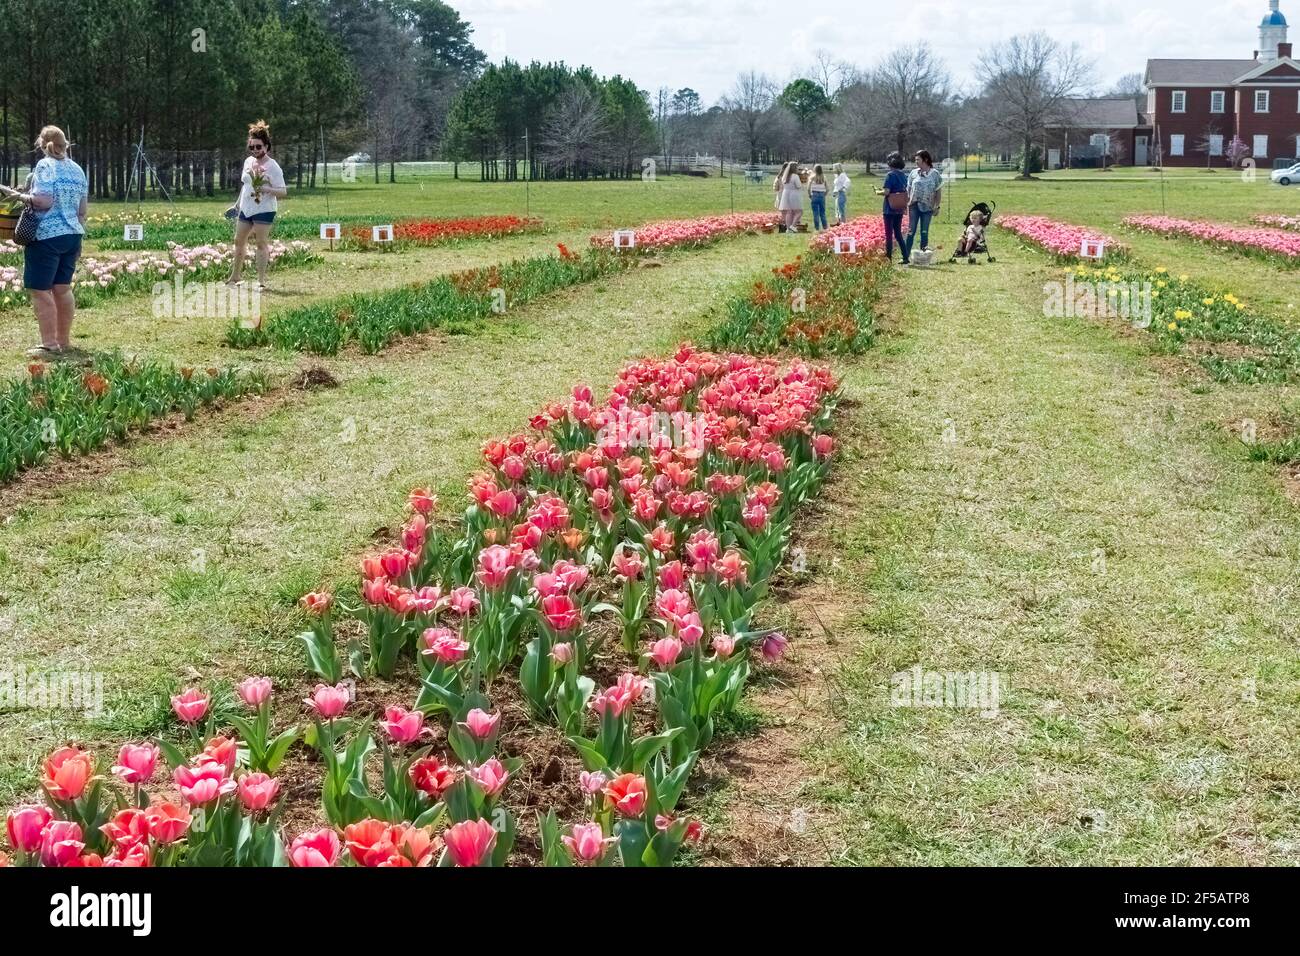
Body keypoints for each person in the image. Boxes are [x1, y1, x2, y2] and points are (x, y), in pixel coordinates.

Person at [0, 126, 88, 359]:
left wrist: (18, 196)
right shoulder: (78, 170)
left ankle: (48, 345)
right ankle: (64, 341)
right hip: (72, 234)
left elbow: (43, 201)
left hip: (47, 235)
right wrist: (79, 238)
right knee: (62, 288)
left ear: (42, 144)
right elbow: (82, 210)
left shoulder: (45, 166)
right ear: (66, 144)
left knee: (40, 290)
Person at [226, 119, 287, 291]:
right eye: (251, 147)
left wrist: (266, 188)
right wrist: (237, 205)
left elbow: (283, 192)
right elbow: (245, 186)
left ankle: (261, 281)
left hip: (264, 209)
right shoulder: (248, 162)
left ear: (267, 146)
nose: (255, 150)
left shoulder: (273, 166)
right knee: (238, 240)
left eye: (258, 147)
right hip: (247, 207)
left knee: (260, 243)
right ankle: (235, 276)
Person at [904, 149, 942, 259]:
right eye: (915, 159)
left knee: (924, 232)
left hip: (928, 207)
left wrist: (937, 206)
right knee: (911, 231)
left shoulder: (934, 174)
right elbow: (909, 189)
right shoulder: (913, 173)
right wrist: (906, 204)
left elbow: (938, 191)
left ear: (925, 160)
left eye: (918, 159)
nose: (916, 162)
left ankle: (923, 255)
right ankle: (905, 256)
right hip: (914, 206)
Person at [876, 152, 909, 264]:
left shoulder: (890, 175)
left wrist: (877, 192)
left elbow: (886, 192)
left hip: (889, 208)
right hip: (899, 207)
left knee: (889, 234)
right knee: (898, 233)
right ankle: (905, 256)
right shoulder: (904, 175)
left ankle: (888, 258)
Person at [778, 162, 804, 233]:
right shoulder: (795, 176)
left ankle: (788, 229)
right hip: (794, 194)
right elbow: (798, 186)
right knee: (799, 212)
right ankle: (793, 226)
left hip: (786, 193)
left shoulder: (785, 176)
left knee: (788, 212)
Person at [808, 164, 829, 231]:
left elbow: (808, 188)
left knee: (815, 212)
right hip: (822, 195)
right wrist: (825, 194)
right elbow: (827, 189)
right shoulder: (824, 177)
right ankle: (825, 227)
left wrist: (810, 195)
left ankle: (817, 228)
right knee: (822, 212)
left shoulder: (812, 177)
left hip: (814, 194)